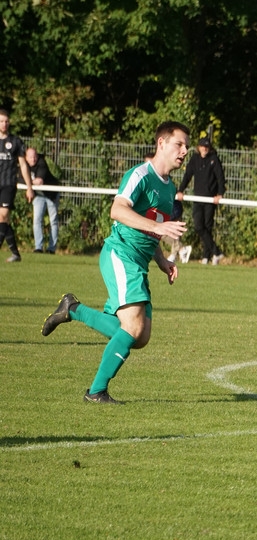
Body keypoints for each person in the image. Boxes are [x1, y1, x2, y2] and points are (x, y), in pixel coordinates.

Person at [40, 121, 190, 404]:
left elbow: (151, 229)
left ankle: (73, 309)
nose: (184, 151)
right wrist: (159, 229)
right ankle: (96, 391)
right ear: (161, 143)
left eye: (186, 147)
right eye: (179, 144)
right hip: (120, 254)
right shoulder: (140, 175)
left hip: (139, 262)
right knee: (132, 329)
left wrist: (162, 261)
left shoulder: (170, 189)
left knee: (141, 335)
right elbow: (118, 210)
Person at [177, 136, 226, 265]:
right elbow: (187, 175)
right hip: (198, 198)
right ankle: (216, 252)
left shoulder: (214, 159)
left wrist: (220, 194)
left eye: (207, 147)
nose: (205, 149)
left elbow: (220, 177)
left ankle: (206, 257)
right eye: (203, 147)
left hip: (210, 199)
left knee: (208, 227)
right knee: (199, 226)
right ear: (199, 147)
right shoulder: (194, 159)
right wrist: (180, 190)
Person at [0, 109, 35, 262]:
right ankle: (16, 253)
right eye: (1, 121)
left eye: (6, 121)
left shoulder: (15, 141)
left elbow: (23, 165)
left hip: (8, 184)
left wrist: (29, 187)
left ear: (9, 122)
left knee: (3, 216)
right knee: (4, 221)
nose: (4, 124)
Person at [25, 147, 60, 253]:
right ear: (26, 158)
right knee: (37, 220)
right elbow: (19, 178)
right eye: (30, 157)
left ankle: (51, 248)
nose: (33, 159)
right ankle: (38, 248)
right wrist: (30, 181)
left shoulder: (42, 163)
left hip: (51, 195)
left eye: (35, 156)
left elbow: (39, 181)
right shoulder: (24, 166)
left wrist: (27, 181)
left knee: (53, 221)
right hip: (39, 196)